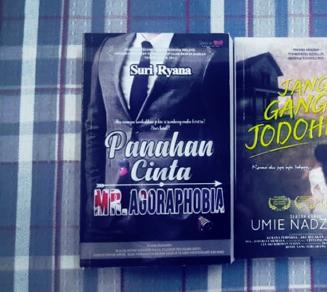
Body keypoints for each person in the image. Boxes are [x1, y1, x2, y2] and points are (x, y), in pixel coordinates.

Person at [82, 32, 230, 243]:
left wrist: (201, 214)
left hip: (174, 220)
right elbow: (95, 128)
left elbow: (223, 142)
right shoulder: (108, 47)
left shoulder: (206, 54)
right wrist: (94, 194)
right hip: (109, 216)